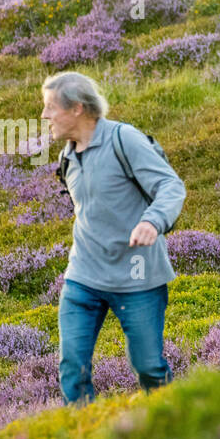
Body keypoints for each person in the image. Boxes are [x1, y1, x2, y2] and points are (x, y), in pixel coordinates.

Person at [42, 71, 186, 405]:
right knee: (72, 369)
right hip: (83, 277)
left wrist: (153, 221)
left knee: (150, 368)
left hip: (137, 278)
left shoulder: (125, 140)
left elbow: (171, 186)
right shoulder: (68, 155)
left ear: (77, 108)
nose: (44, 116)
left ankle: (175, 430)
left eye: (51, 107)